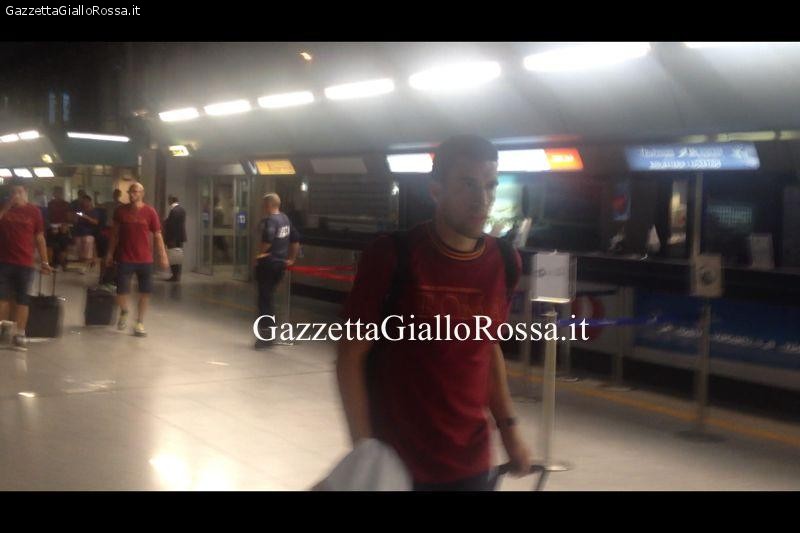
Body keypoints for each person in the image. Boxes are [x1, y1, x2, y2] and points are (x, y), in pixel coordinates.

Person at [337, 134, 532, 490]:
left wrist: (510, 432)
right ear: (436, 190)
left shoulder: (504, 261)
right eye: (467, 184)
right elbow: (351, 354)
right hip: (400, 463)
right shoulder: (393, 255)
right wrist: (365, 451)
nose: (482, 199)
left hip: (472, 461)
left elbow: (487, 348)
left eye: (490, 186)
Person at [105, 183, 169, 337]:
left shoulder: (150, 212)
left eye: (135, 191)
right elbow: (114, 234)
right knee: (121, 292)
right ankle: (124, 310)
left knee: (145, 293)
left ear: (142, 193)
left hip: (145, 259)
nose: (131, 194)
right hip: (125, 258)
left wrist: (163, 255)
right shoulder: (120, 211)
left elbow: (157, 235)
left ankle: (139, 322)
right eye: (130, 192)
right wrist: (109, 253)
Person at [0, 181, 53, 351]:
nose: (16, 195)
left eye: (19, 192)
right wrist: (6, 207)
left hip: (25, 262)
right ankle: (3, 331)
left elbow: (39, 237)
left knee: (23, 299)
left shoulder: (34, 212)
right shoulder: (4, 208)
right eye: (13, 192)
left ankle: (20, 333)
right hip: (3, 261)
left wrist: (45, 261)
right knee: (2, 298)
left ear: (25, 193)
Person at [254, 192, 300, 350]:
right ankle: (269, 334)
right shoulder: (285, 219)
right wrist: (291, 258)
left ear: (268, 205)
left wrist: (259, 255)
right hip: (280, 265)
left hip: (268, 264)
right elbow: (295, 240)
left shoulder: (271, 221)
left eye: (264, 204)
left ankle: (266, 336)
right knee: (269, 298)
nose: (263, 207)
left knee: (264, 300)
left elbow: (267, 240)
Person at [73, 195, 103, 275]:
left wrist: (86, 217)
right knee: (79, 246)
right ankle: (81, 263)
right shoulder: (80, 210)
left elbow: (96, 222)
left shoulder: (94, 211)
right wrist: (76, 217)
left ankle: (85, 264)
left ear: (89, 202)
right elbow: (75, 222)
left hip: (89, 232)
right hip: (79, 232)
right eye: (83, 202)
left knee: (86, 242)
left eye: (86, 201)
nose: (84, 203)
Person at [46, 186, 71, 271]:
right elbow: (48, 216)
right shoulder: (50, 204)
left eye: (59, 193)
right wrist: (51, 226)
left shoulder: (66, 204)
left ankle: (63, 262)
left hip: (63, 226)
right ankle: (54, 262)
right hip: (52, 226)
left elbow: (68, 217)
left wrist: (65, 225)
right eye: (56, 192)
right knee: (53, 245)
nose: (58, 194)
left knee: (63, 244)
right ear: (54, 194)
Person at [163, 195, 187, 282]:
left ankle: (175, 276)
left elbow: (172, 225)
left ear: (171, 201)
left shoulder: (173, 211)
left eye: (168, 200)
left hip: (173, 238)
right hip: (180, 237)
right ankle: (177, 275)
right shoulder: (182, 210)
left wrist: (166, 222)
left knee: (173, 257)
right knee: (178, 257)